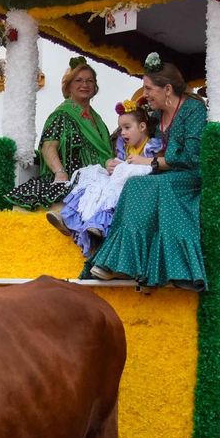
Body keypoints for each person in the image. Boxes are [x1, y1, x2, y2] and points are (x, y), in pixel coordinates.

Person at [88, 55, 207, 289]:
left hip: (191, 175)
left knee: (154, 184)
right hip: (167, 172)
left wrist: (152, 163)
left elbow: (192, 156)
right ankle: (122, 264)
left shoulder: (194, 109)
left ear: (168, 89)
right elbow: (133, 131)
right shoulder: (157, 114)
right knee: (133, 184)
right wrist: (120, 162)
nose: (146, 94)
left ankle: (179, 269)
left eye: (149, 89)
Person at [5, 57, 112, 212]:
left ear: (95, 86)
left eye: (89, 81)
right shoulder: (61, 115)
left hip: (98, 179)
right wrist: (60, 173)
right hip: (70, 178)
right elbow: (48, 147)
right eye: (78, 80)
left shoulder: (98, 119)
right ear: (68, 87)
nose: (85, 85)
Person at [56, 103, 158, 250]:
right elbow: (120, 164)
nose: (122, 133)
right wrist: (112, 165)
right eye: (121, 128)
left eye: (127, 128)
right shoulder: (124, 146)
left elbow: (153, 168)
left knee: (110, 192)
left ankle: (96, 225)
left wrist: (134, 166)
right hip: (121, 181)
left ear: (142, 127)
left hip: (137, 187)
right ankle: (69, 217)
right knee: (94, 181)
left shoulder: (151, 146)